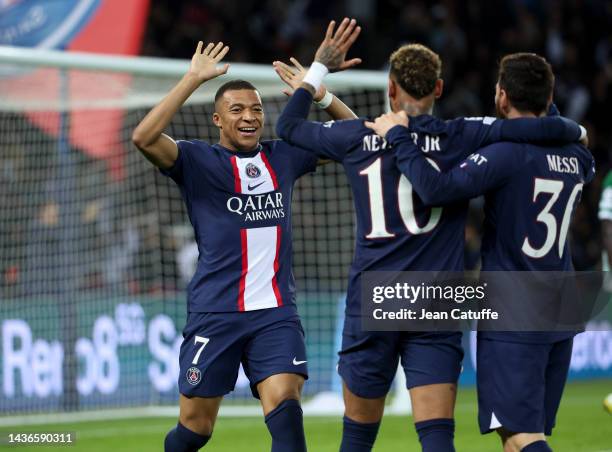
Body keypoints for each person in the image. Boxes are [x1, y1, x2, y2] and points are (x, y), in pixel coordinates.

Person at [275, 19, 584, 452]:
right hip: (438, 296)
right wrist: (575, 130)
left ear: (390, 89)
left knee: (358, 437)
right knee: (437, 436)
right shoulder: (464, 135)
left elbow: (287, 128)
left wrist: (316, 76)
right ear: (439, 89)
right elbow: (532, 129)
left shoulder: (355, 137)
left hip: (375, 294)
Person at [132, 40, 357, 452]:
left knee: (287, 414)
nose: (250, 116)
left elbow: (355, 138)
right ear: (218, 119)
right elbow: (144, 137)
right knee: (194, 431)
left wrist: (321, 93)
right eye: (237, 110)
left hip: (275, 314)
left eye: (256, 108)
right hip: (215, 313)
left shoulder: (284, 155)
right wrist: (192, 79)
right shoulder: (198, 161)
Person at [367, 52, 595, 452]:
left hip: (515, 305)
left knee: (522, 434)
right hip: (563, 302)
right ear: (550, 96)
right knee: (521, 433)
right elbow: (562, 130)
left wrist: (399, 138)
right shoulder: (578, 156)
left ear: (502, 97)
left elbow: (435, 189)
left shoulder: (503, 155)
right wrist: (569, 125)